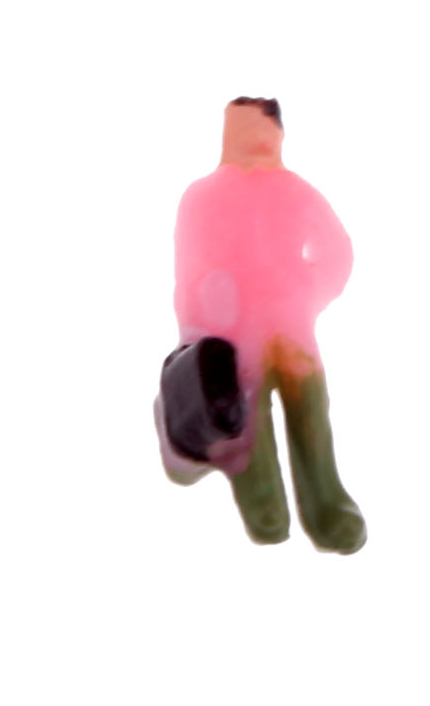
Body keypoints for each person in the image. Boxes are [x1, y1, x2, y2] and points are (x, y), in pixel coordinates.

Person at [156, 97, 366, 554]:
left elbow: (338, 251)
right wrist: (197, 326)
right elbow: (187, 271)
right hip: (230, 333)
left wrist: (309, 293)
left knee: (310, 412)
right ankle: (263, 502)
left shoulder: (298, 192)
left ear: (280, 135)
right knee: (245, 422)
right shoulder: (201, 197)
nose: (256, 140)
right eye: (243, 129)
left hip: (293, 330)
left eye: (265, 129)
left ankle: (326, 502)